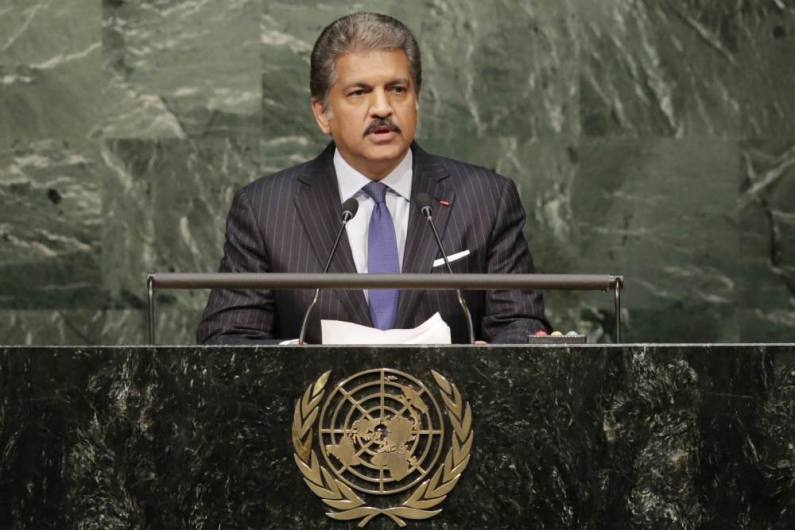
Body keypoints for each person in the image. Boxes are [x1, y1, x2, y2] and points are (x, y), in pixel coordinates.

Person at [196, 12, 549, 344]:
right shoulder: (265, 209)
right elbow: (229, 340)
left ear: (417, 100)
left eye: (397, 89)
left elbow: (520, 326)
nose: (382, 108)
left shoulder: (486, 199)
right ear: (322, 113)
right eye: (359, 92)